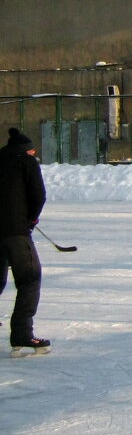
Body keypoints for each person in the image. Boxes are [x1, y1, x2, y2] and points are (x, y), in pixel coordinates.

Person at [0, 128, 50, 354]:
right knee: (29, 280)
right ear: (26, 149)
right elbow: (38, 195)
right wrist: (30, 220)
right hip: (16, 232)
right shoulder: (26, 162)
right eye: (32, 149)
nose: (34, 152)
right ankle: (22, 334)